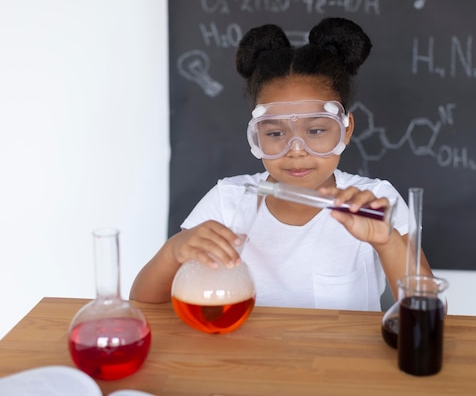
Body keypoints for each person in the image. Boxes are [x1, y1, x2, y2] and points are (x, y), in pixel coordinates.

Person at [130, 17, 432, 310]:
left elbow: (432, 312)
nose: (296, 150)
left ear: (346, 129)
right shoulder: (227, 201)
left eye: (315, 130)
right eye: (275, 133)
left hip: (342, 360)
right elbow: (142, 303)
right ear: (256, 134)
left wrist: (387, 241)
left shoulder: (377, 202)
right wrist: (172, 251)